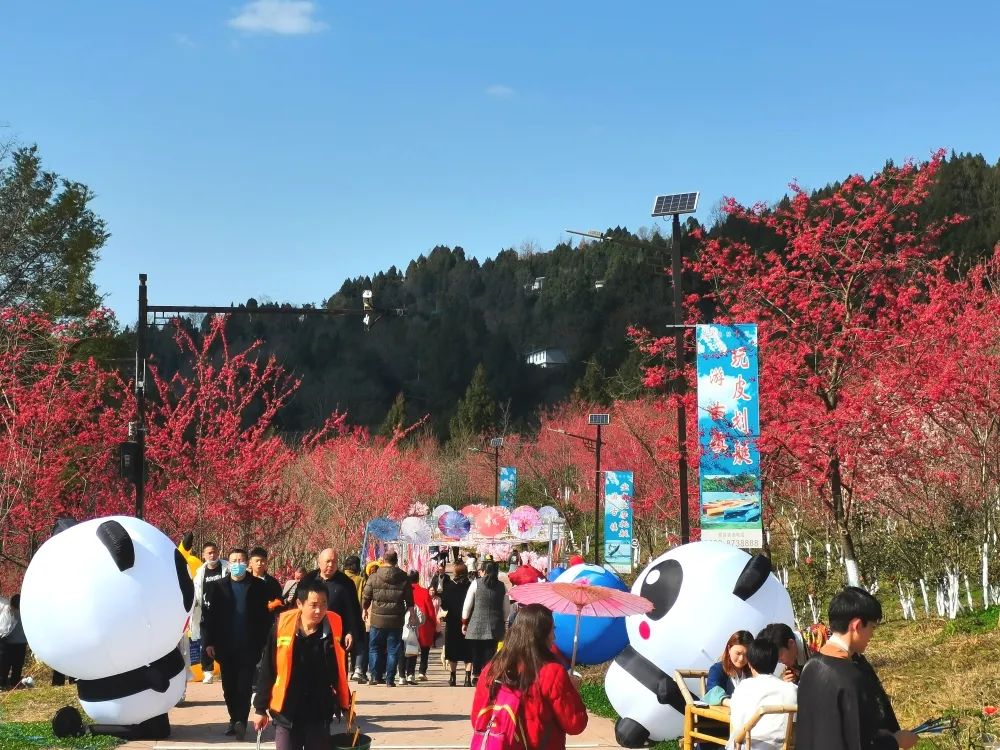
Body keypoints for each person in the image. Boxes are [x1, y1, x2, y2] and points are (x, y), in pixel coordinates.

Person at [797, 587, 917, 750]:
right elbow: (861, 742)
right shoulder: (852, 676)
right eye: (872, 628)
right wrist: (896, 741)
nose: (872, 635)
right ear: (857, 625)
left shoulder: (810, 667)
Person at [470, 604, 588, 750]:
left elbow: (478, 719)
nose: (554, 637)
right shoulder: (551, 672)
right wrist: (573, 693)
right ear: (542, 634)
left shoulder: (492, 669)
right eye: (552, 630)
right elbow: (575, 724)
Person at [252, 580, 352, 750]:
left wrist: (346, 704)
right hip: (287, 710)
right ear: (300, 603)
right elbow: (268, 668)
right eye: (313, 605)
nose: (319, 610)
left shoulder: (332, 627)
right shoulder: (281, 627)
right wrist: (260, 709)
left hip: (319, 710)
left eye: (323, 604)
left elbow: (338, 671)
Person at [201, 548, 273, 740]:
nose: (237, 564)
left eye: (241, 560)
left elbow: (265, 618)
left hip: (249, 645)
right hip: (225, 645)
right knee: (229, 687)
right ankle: (234, 719)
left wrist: (264, 641)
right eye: (233, 560)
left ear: (246, 563)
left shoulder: (258, 586)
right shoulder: (217, 586)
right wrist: (209, 642)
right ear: (229, 563)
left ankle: (240, 720)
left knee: (244, 685)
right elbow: (209, 618)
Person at [726, 638, 798, 750]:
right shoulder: (792, 689)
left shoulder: (744, 687)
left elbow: (737, 725)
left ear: (749, 663)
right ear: (776, 661)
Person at [361, 550, 413, 687]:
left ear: (384, 560)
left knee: (374, 648)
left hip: (377, 619)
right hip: (396, 619)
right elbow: (409, 599)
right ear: (396, 561)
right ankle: (390, 679)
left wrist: (364, 608)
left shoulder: (374, 576)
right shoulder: (403, 577)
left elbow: (366, 595)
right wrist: (410, 611)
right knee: (393, 649)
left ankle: (374, 676)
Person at [300, 549, 364, 656]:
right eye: (328, 561)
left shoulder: (346, 583)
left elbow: (353, 611)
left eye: (334, 562)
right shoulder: (308, 579)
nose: (331, 565)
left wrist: (350, 632)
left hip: (335, 635)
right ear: (319, 562)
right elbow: (298, 605)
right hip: (309, 633)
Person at [462, 561, 511, 685]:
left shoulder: (476, 584)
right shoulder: (502, 586)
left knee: (476, 651)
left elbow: (467, 605)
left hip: (476, 623)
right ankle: (488, 674)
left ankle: (476, 674)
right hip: (495, 624)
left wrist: (464, 620)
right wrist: (504, 621)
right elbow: (506, 608)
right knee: (490, 652)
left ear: (484, 570)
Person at [192, 541, 228, 684]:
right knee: (206, 642)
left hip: (225, 612)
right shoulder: (200, 572)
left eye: (214, 552)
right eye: (209, 553)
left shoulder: (227, 567)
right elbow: (196, 592)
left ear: (218, 551)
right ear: (204, 555)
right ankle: (207, 671)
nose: (212, 555)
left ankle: (226, 670)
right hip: (206, 612)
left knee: (225, 642)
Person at [441, 563, 473, 686]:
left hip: (452, 620)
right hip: (467, 620)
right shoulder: (470, 586)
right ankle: (467, 677)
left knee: (452, 649)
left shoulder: (449, 586)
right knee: (468, 649)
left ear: (456, 572)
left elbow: (444, 605)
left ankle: (453, 677)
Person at [341, 555, 369, 683]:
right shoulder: (360, 580)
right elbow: (364, 598)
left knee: (342, 644)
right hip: (356, 613)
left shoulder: (339, 578)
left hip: (340, 615)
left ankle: (343, 670)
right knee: (359, 643)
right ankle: (357, 669)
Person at [707, 630, 754, 705]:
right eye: (738, 653)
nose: (741, 658)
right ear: (729, 649)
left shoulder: (752, 672)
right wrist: (730, 703)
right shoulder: (717, 669)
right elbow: (712, 692)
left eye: (746, 654)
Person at [408, 570, 438, 682]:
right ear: (418, 578)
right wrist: (434, 624)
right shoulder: (424, 592)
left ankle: (410, 673)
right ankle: (422, 671)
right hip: (424, 625)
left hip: (409, 625)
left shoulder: (406, 591)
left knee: (411, 649)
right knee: (425, 650)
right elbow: (430, 611)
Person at [0, 594, 27, 689]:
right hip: (21, 644)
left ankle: (4, 684)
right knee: (17, 667)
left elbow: (4, 630)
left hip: (8, 644)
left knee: (5, 666)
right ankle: (13, 684)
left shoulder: (9, 613)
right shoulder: (25, 614)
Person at [249, 546, 285, 614]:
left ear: (266, 562)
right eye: (257, 561)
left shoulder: (272, 582)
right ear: (250, 562)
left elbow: (280, 601)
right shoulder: (245, 580)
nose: (259, 563)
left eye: (262, 561)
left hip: (266, 620)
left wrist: (273, 605)